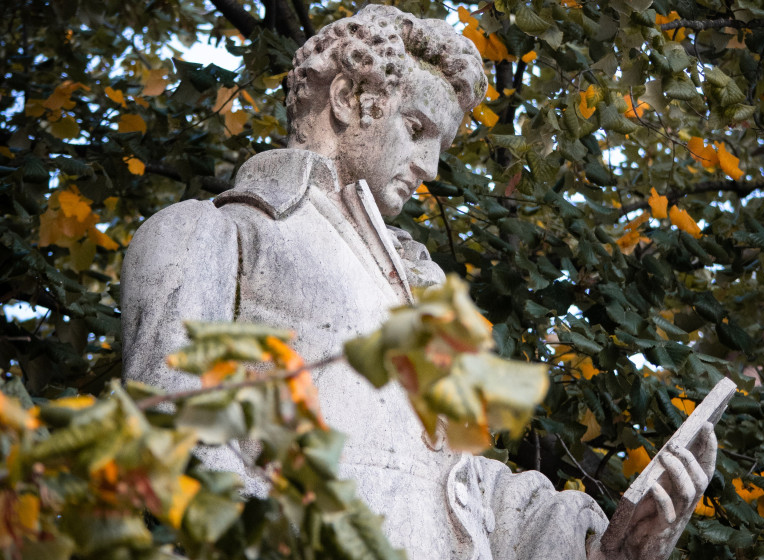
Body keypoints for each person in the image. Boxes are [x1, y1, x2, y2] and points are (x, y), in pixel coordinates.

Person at [121, 6, 717, 559]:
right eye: (417, 128)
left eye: (442, 145)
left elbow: (466, 489)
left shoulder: (418, 296)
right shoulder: (211, 234)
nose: (430, 168)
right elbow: (177, 437)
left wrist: (608, 545)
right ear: (349, 97)